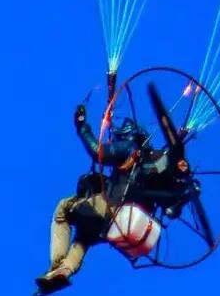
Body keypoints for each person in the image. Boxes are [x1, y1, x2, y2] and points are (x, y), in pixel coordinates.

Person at [34, 105, 153, 294]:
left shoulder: (129, 147)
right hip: (116, 225)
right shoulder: (150, 170)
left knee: (63, 209)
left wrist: (82, 126)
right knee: (83, 238)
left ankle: (56, 266)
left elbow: (97, 151)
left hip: (108, 207)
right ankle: (64, 272)